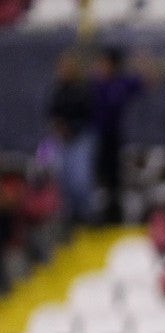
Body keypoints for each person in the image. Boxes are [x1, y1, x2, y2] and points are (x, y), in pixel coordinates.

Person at [91, 45, 151, 224]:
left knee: (114, 177)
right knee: (98, 177)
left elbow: (149, 82)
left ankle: (114, 214)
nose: (101, 67)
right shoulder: (94, 84)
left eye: (104, 63)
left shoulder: (121, 83)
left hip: (114, 136)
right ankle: (97, 213)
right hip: (95, 137)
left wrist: (143, 61)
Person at [47, 49, 95, 226]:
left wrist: (72, 127)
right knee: (63, 179)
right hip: (62, 140)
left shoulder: (83, 89)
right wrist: (58, 127)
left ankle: (85, 215)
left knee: (80, 179)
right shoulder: (58, 90)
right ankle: (69, 217)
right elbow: (52, 113)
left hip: (81, 138)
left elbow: (88, 113)